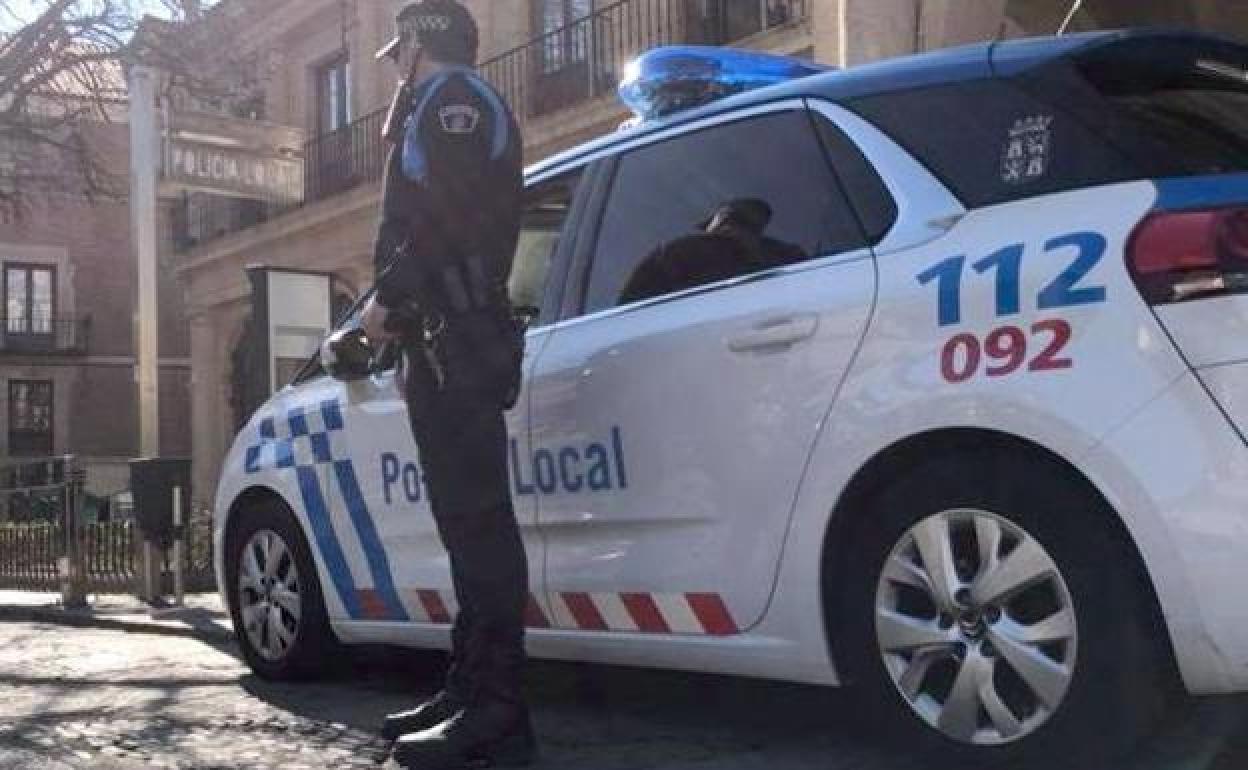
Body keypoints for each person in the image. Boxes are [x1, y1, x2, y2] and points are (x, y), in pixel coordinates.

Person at [359, 2, 533, 768]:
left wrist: (388, 301)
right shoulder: (435, 106)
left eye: (401, 51)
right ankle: (468, 688)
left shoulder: (455, 103)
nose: (396, 64)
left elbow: (442, 222)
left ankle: (497, 710)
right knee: (465, 525)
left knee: (480, 523)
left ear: (419, 47)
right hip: (441, 340)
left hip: (457, 336)